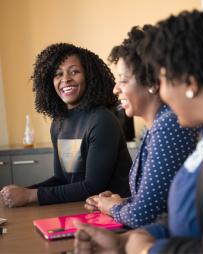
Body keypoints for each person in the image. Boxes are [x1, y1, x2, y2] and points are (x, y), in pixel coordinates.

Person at [73, 9, 203, 253]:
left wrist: (146, 249)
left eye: (163, 80)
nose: (162, 93)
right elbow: (193, 211)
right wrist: (130, 240)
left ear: (190, 82)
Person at [84, 25, 199, 228]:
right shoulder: (155, 126)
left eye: (123, 80)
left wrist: (112, 208)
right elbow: (158, 202)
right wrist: (116, 203)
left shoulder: (169, 125)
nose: (115, 88)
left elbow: (143, 216)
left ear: (152, 82)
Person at [0, 43, 132, 207]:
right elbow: (61, 179)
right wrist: (22, 192)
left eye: (74, 72)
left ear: (89, 76)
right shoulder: (58, 123)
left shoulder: (102, 120)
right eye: (58, 74)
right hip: (77, 207)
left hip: (113, 214)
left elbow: (92, 186)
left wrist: (29, 195)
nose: (65, 79)